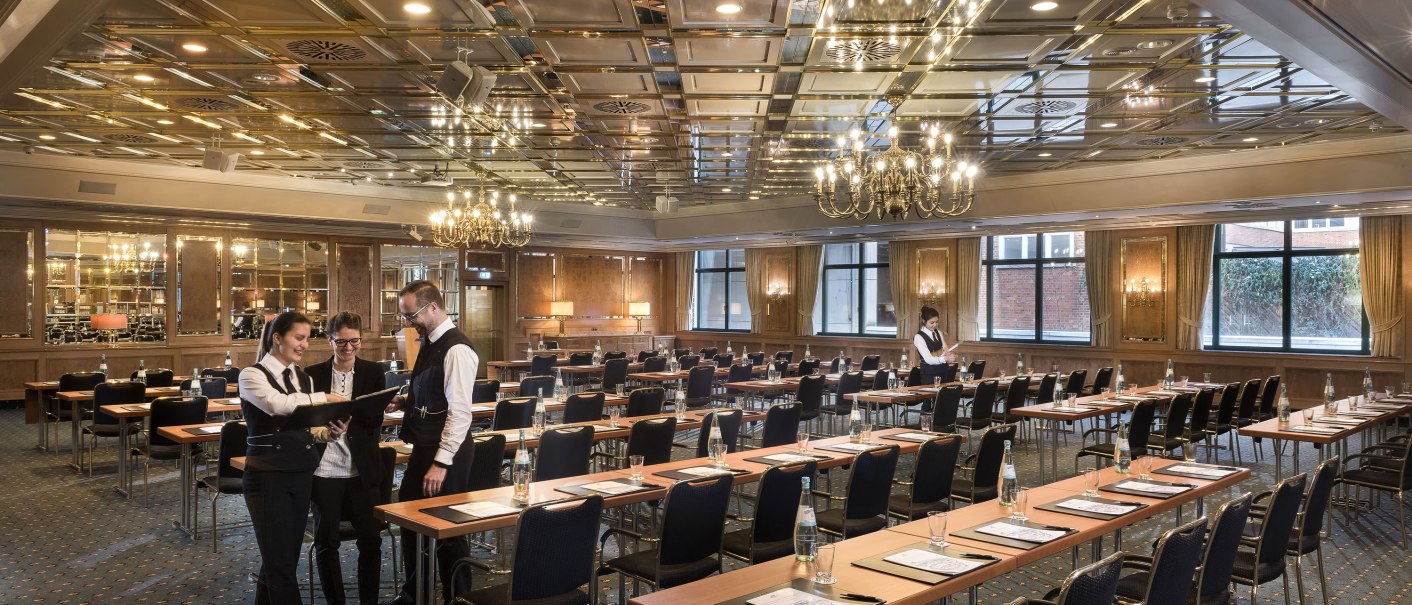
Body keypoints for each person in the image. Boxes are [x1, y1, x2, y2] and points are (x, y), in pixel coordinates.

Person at [239, 311, 349, 605]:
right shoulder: (251, 375)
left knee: (283, 558)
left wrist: (330, 433)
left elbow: (308, 428)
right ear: (277, 338)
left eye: (307, 339)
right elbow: (279, 406)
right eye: (299, 338)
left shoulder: (303, 378)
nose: (305, 345)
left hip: (301, 473)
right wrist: (324, 398)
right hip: (267, 477)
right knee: (281, 564)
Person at [384, 280, 477, 605]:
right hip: (425, 448)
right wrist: (408, 401)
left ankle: (459, 598)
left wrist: (441, 462)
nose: (407, 323)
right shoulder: (430, 340)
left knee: (449, 531)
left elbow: (460, 412)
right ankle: (416, 593)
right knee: (412, 519)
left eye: (411, 315)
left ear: (433, 307)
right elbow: (436, 393)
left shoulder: (457, 349)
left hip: (446, 455)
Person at [305, 312, 386, 605]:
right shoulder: (311, 374)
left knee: (371, 541)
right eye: (341, 342)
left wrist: (349, 421)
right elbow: (305, 419)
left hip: (361, 469)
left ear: (361, 340)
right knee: (327, 543)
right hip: (324, 469)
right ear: (330, 340)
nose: (348, 348)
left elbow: (376, 417)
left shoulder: (374, 371)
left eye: (354, 341)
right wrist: (325, 427)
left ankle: (369, 602)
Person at [914, 306, 959, 384]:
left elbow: (945, 349)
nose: (935, 325)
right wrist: (945, 358)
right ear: (924, 321)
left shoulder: (938, 332)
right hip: (929, 374)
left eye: (937, 322)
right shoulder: (918, 337)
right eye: (932, 322)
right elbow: (928, 359)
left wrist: (949, 354)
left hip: (943, 371)